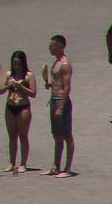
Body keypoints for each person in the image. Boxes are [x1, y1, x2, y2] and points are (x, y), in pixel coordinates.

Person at [43, 34, 74, 176]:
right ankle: (56, 165)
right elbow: (57, 82)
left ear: (61, 46)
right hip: (54, 99)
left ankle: (67, 168)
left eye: (53, 45)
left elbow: (67, 87)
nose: (50, 48)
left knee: (66, 134)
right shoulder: (56, 63)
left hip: (62, 101)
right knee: (56, 135)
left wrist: (61, 107)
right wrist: (49, 83)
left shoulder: (65, 64)